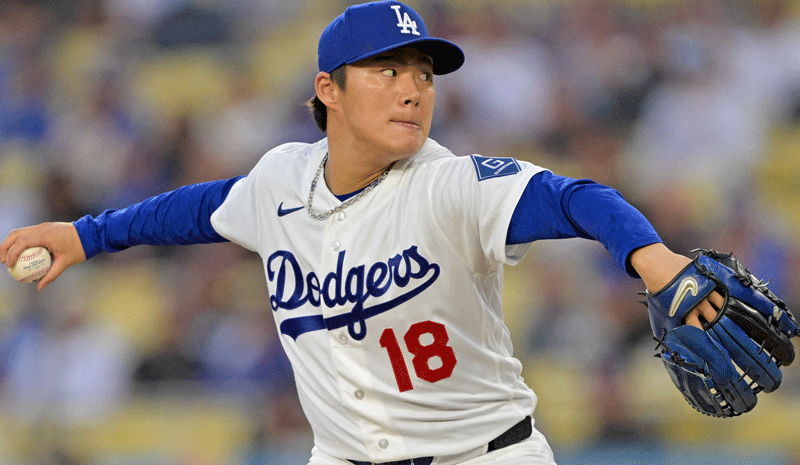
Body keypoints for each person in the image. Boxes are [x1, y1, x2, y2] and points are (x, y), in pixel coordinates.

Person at [1, 2, 722, 464]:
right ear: (328, 91)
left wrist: (653, 257)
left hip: (483, 456)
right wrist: (86, 234)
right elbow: (194, 209)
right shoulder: (281, 180)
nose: (413, 88)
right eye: (387, 70)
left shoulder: (450, 183)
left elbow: (574, 198)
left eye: (423, 74)